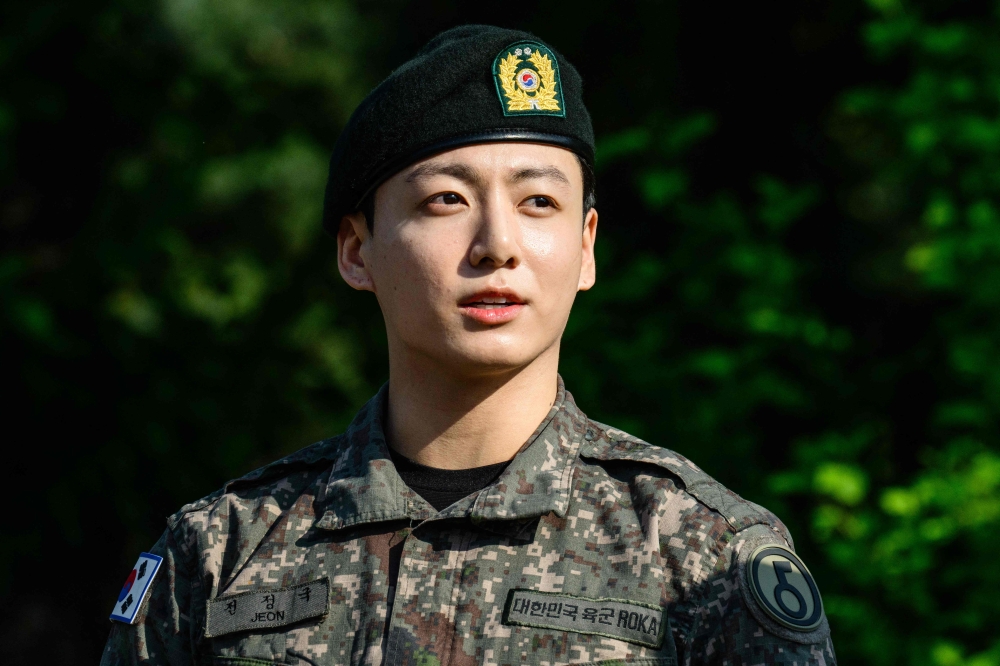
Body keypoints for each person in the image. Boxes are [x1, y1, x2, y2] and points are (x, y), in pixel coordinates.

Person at [100, 25, 837, 666]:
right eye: (446, 199)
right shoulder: (216, 555)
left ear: (585, 249)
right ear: (357, 251)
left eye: (538, 201)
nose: (497, 245)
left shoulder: (701, 556)